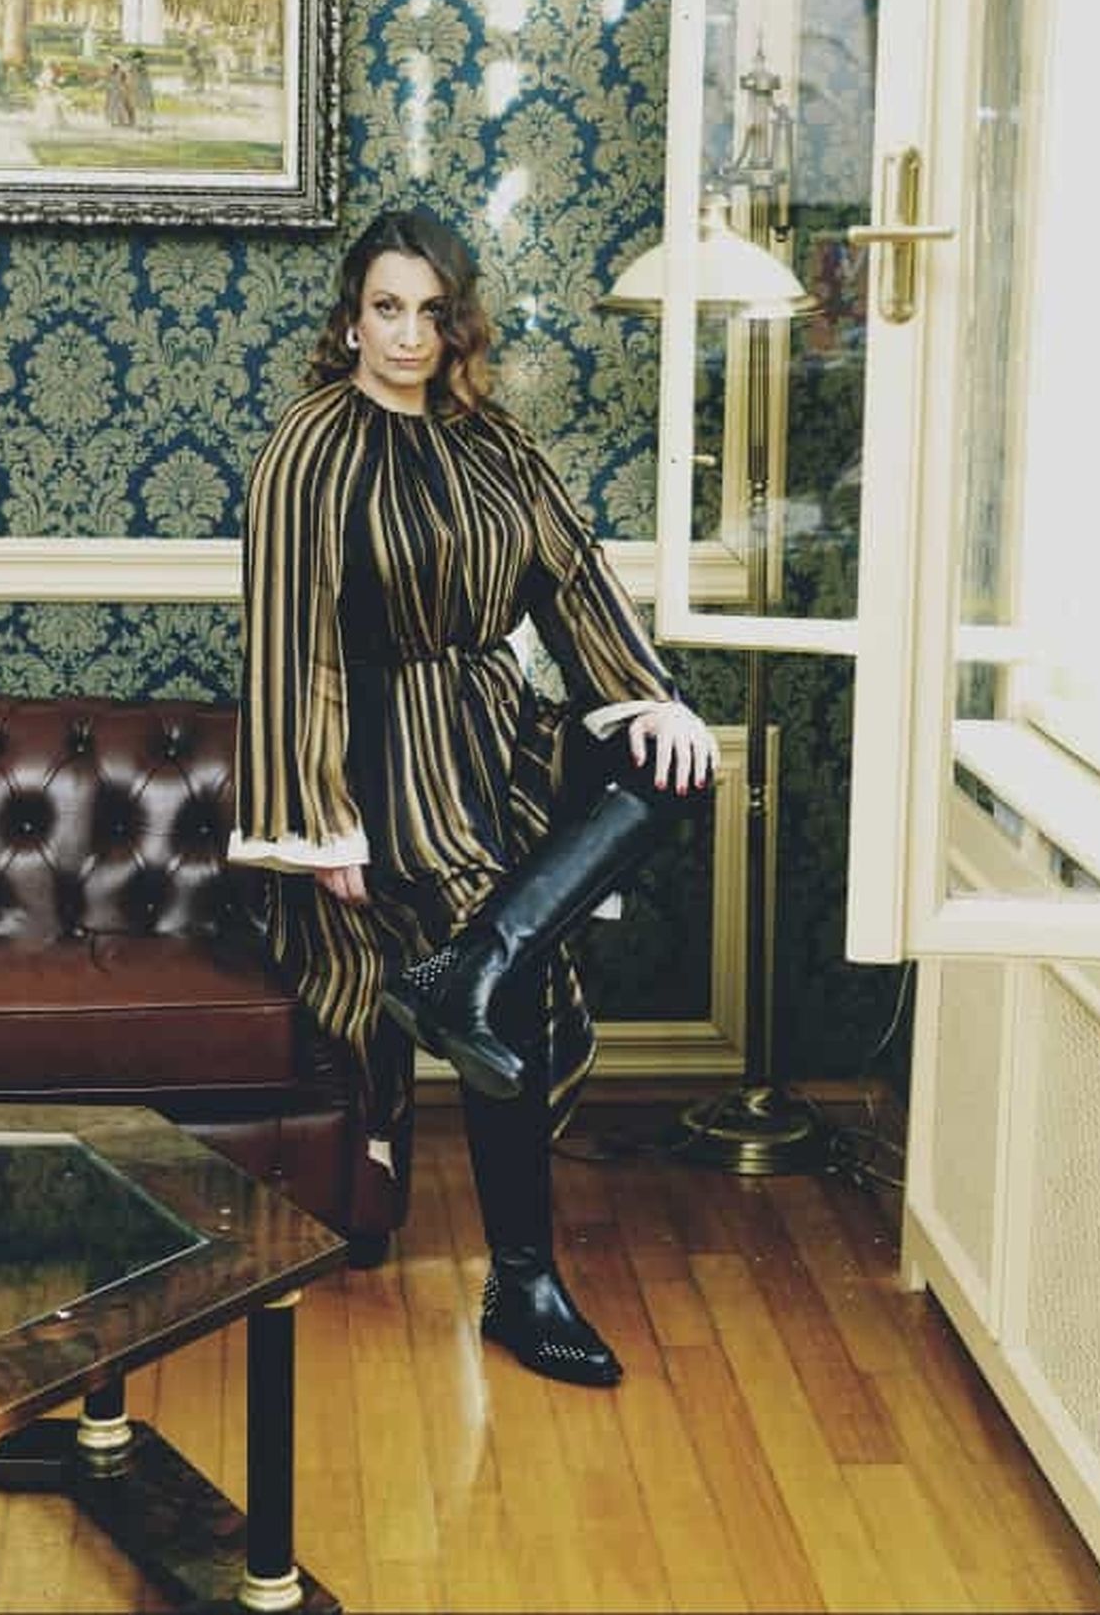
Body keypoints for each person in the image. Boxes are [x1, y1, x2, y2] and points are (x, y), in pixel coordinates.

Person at [230, 204, 719, 1390]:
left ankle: (473, 966)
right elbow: (289, 636)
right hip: (377, 756)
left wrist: (649, 696)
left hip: (492, 732)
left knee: (675, 766)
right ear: (352, 319)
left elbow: (573, 574)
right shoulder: (309, 444)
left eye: (431, 311)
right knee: (518, 989)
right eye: (387, 308)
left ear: (459, 323)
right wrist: (316, 818)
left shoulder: (494, 439)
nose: (408, 334)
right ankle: (524, 1278)